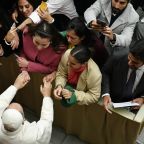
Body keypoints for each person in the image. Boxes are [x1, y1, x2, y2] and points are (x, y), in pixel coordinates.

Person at [0, 71, 54, 144]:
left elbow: (2, 101)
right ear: (23, 120)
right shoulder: (33, 138)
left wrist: (15, 86)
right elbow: (46, 122)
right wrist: (47, 96)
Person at [101, 39, 144, 113]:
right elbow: (105, 72)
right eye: (129, 58)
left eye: (135, 62)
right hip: (111, 102)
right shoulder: (117, 56)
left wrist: (143, 99)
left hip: (133, 110)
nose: (129, 63)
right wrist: (106, 93)